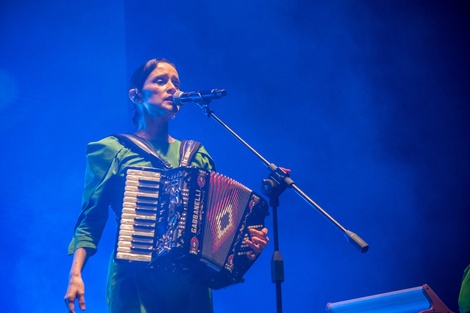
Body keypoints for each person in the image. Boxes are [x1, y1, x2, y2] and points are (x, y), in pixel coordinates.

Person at [64, 58, 269, 313]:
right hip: (135, 283)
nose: (172, 87)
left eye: (176, 82)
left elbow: (214, 227)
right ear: (136, 95)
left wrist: (244, 246)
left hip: (190, 287)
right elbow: (91, 219)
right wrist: (76, 275)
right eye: (160, 81)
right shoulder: (112, 150)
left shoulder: (197, 155)